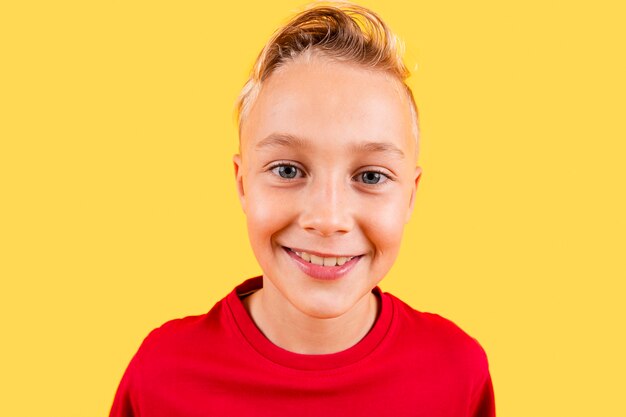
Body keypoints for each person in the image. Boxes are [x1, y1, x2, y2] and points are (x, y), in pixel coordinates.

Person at [109, 3, 495, 416]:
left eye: (370, 177)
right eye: (288, 169)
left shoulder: (456, 372)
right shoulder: (163, 375)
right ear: (243, 185)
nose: (328, 219)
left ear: (411, 196)